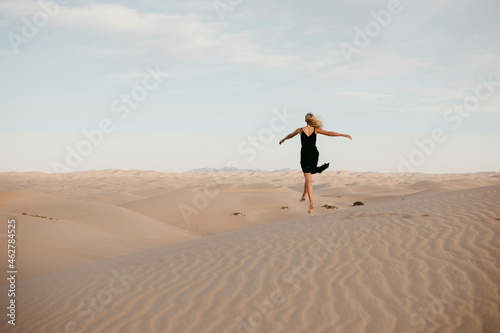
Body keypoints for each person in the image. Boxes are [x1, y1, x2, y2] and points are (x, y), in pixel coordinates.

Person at [279, 113, 352, 213]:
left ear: (305, 120)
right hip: (314, 154)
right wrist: (342, 134)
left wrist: (284, 139)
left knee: (308, 178)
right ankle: (304, 196)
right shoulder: (315, 129)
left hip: (305, 155)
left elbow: (290, 135)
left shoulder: (300, 130)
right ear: (312, 120)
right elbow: (329, 133)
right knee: (308, 175)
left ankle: (311, 203)